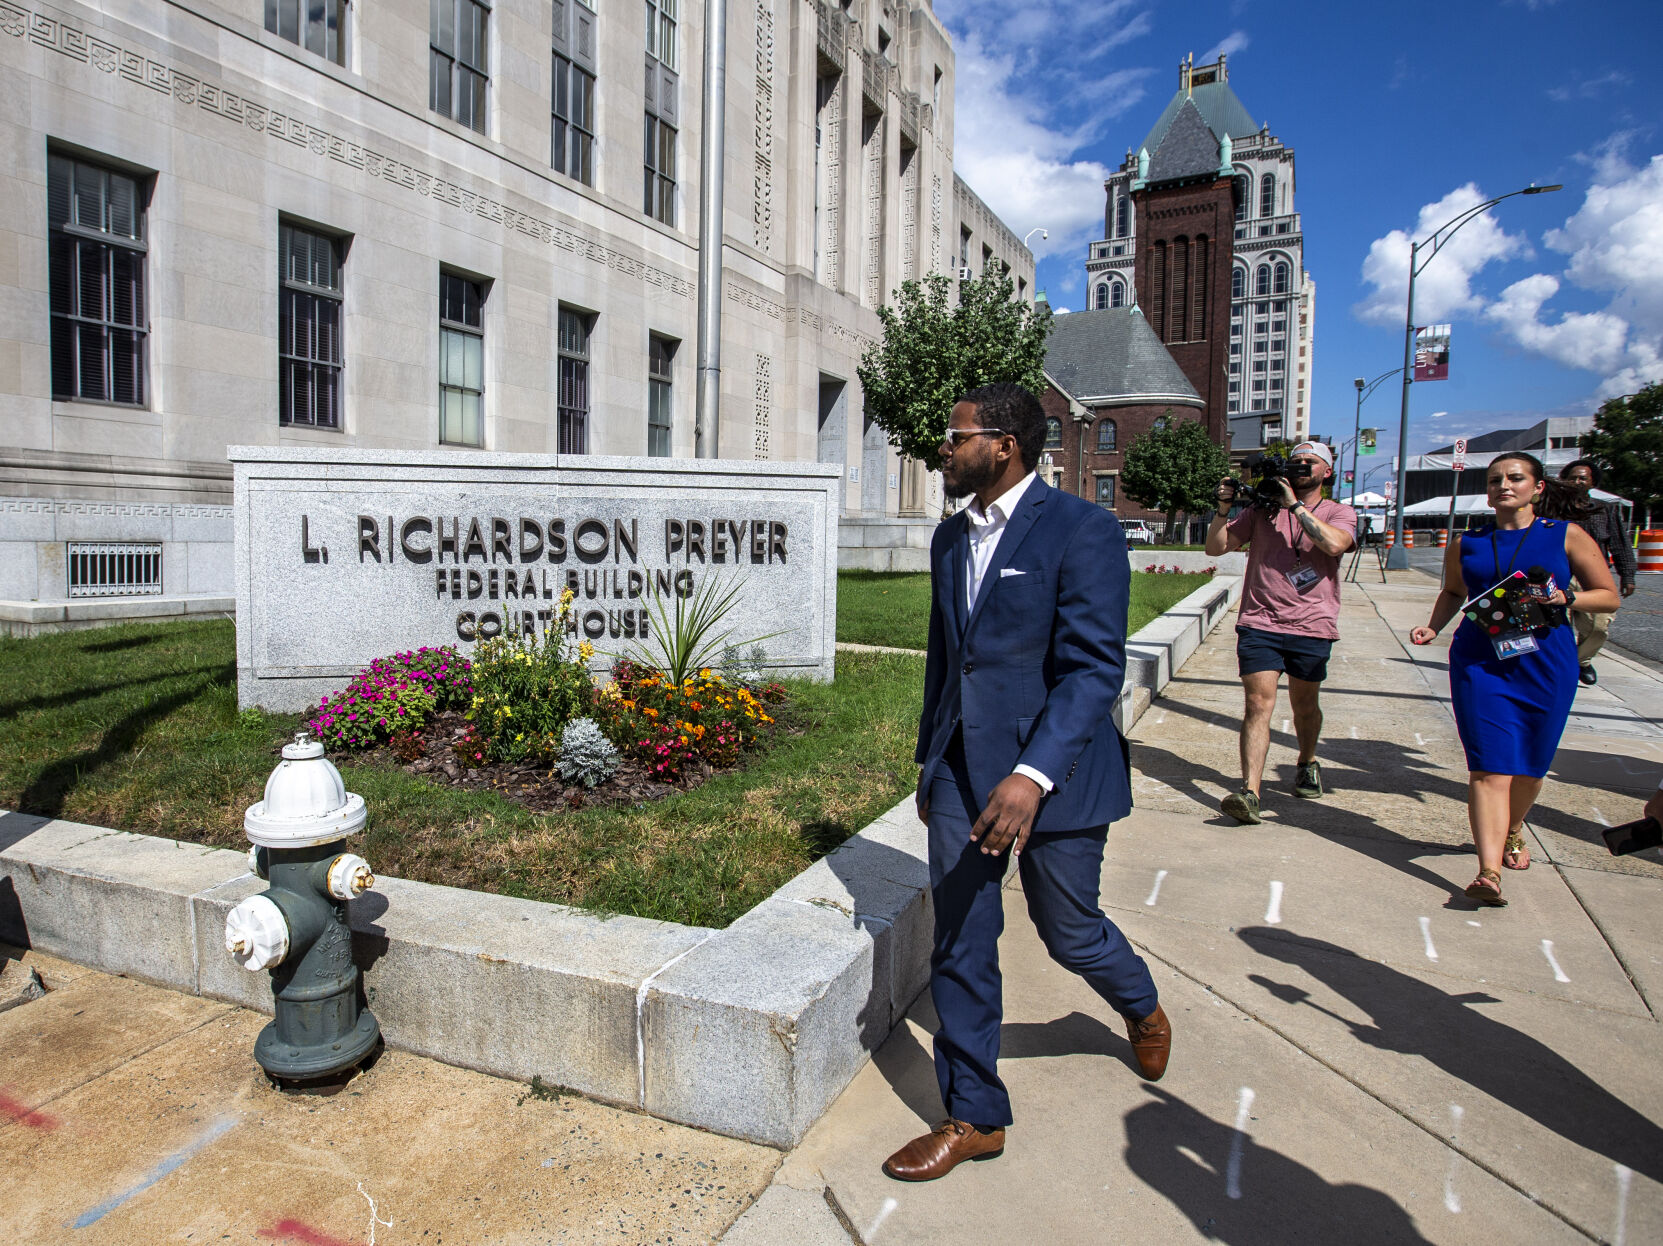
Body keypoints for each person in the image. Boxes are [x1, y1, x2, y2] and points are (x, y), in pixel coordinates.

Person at [883, 382, 1167, 1183]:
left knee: (1067, 931)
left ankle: (1138, 1003)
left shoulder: (1083, 530)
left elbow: (1090, 670)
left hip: (1060, 775)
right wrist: (930, 763)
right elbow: (948, 662)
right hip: (960, 775)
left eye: (955, 433)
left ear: (1003, 443)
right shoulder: (949, 539)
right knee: (960, 939)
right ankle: (974, 1115)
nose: (941, 445)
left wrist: (1030, 776)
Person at [1410, 453, 1620, 905]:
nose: (1504, 485)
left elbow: (1609, 597)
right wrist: (1434, 627)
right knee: (1489, 767)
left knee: (1530, 767)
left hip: (1546, 663)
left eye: (1515, 478)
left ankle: (1514, 829)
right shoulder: (1468, 544)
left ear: (1537, 487)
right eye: (1494, 480)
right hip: (1480, 662)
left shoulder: (1566, 536)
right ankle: (1488, 872)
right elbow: (1452, 590)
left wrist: (1568, 597)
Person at [1203, 443, 1357, 825]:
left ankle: (1306, 761)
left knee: (1305, 706)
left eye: (1310, 462)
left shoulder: (1340, 512)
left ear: (1327, 472)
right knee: (1258, 704)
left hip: (1312, 624)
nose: (1301, 467)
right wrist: (1224, 508)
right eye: (1296, 462)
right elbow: (1215, 547)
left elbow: (1334, 544)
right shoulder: (1260, 512)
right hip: (1260, 622)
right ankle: (1250, 792)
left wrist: (1294, 506)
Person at [1558, 459, 1637, 686]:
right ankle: (1559, 663)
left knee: (1598, 626)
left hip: (1592, 576)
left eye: (1582, 478)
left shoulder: (1605, 510)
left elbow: (1620, 544)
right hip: (1560, 573)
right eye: (1572, 477)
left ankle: (1581, 661)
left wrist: (1627, 574)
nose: (1577, 481)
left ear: (1592, 482)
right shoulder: (1553, 508)